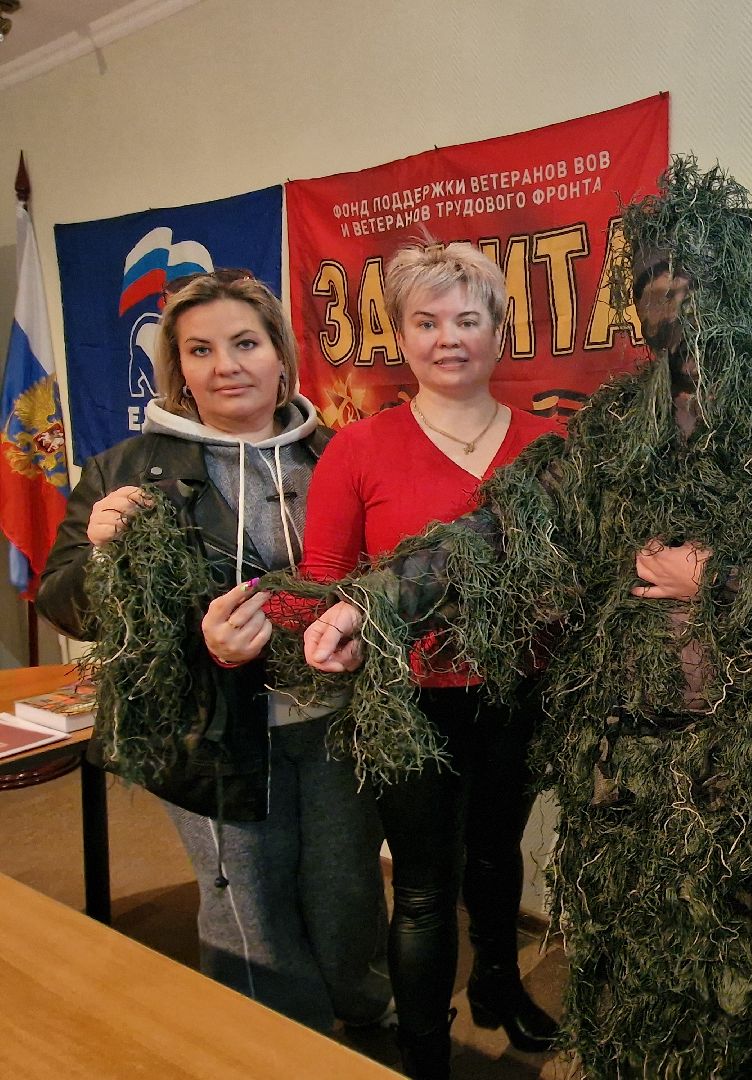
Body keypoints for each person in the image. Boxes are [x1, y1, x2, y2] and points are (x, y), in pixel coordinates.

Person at [299, 158, 752, 1078]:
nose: (673, 303)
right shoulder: (610, 428)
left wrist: (717, 578)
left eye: (694, 276)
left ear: (742, 281)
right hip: (614, 763)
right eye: (651, 284)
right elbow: (504, 527)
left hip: (735, 768)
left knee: (733, 968)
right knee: (613, 956)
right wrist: (377, 606)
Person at [37, 271, 391, 1033]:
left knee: (347, 894)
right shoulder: (121, 472)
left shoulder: (337, 455)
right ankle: (267, 1050)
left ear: (280, 358)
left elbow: (386, 581)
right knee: (248, 912)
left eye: (244, 343)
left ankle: (360, 1038)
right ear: (178, 368)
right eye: (200, 349)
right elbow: (64, 602)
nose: (225, 365)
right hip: (210, 730)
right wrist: (104, 554)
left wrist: (366, 633)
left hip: (335, 727)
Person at [293, 241, 557, 1078]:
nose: (449, 338)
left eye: (468, 319)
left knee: (496, 853)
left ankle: (498, 986)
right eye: (427, 321)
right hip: (408, 704)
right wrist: (321, 630)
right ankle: (422, 1051)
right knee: (421, 886)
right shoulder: (359, 450)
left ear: (498, 331)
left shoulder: (551, 446)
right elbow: (321, 584)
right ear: (401, 337)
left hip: (517, 693)